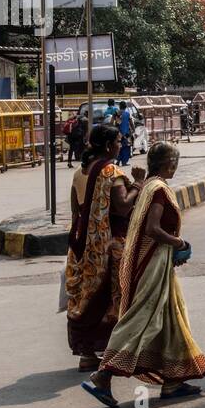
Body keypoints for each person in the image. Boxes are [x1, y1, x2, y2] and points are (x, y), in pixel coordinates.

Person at [83, 142, 205, 407]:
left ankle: (173, 381)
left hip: (157, 263)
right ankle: (103, 375)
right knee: (141, 317)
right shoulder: (158, 190)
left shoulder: (150, 185)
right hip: (153, 264)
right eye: (174, 162)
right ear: (169, 164)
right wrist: (178, 243)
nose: (175, 166)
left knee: (170, 316)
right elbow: (153, 229)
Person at [66, 126, 138, 372]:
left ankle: (87, 353)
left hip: (83, 242)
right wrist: (138, 183)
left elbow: (76, 210)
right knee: (113, 296)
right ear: (108, 146)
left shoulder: (80, 172)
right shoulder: (111, 173)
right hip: (109, 244)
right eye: (119, 140)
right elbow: (123, 207)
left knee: (86, 295)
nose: (122, 143)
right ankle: (115, 353)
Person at [117, 101, 133, 167]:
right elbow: (131, 122)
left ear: (119, 106)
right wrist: (133, 129)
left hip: (118, 133)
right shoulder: (127, 113)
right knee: (126, 147)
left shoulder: (117, 113)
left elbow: (116, 122)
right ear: (125, 107)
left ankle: (118, 161)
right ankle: (124, 162)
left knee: (119, 147)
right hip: (126, 133)